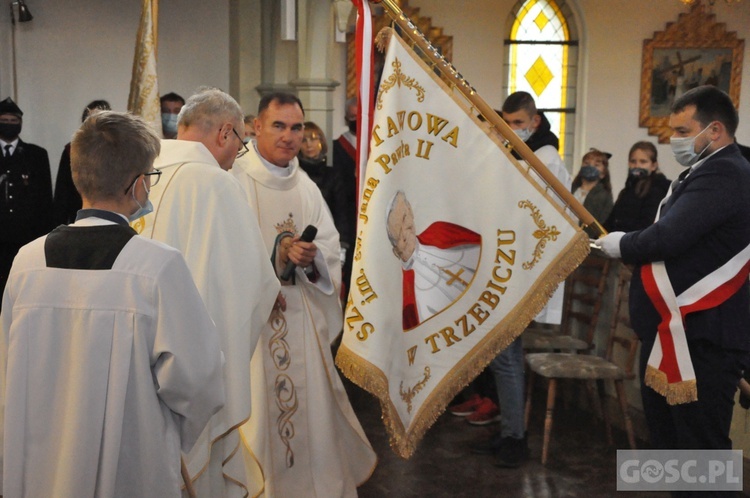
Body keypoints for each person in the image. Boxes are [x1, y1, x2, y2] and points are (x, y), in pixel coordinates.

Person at [0, 111, 225, 497]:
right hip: (128, 467)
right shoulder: (157, 266)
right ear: (138, 184)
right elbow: (198, 380)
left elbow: (8, 365)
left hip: (40, 467)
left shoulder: (26, 263)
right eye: (151, 177)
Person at [137, 87, 280, 498]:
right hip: (190, 377)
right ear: (225, 133)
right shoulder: (216, 185)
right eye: (241, 143)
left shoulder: (140, 173)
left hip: (139, 362)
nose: (239, 154)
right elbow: (249, 283)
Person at [232, 92, 376, 497]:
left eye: (296, 127)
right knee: (260, 418)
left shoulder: (306, 186)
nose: (289, 136)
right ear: (257, 126)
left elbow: (331, 249)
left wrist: (311, 259)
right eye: (279, 125)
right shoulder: (234, 181)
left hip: (303, 316)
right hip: (255, 328)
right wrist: (275, 257)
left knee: (310, 417)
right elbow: (224, 254)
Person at [596, 86, 750, 454]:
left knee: (701, 454)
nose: (674, 141)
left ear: (714, 130)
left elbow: (669, 236)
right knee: (671, 448)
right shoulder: (703, 170)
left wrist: (622, 244)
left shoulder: (726, 171)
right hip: (677, 334)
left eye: (682, 132)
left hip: (703, 338)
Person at [471, 91, 571, 464]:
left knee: (507, 357)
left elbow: (537, 214)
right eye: (507, 123)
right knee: (502, 356)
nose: (513, 130)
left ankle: (515, 439)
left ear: (534, 122)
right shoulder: (523, 155)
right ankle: (511, 431)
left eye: (518, 124)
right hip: (509, 267)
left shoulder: (544, 159)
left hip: (523, 270)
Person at [386, 190, 481, 330]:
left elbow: (483, 251)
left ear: (411, 212)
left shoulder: (439, 230)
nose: (406, 229)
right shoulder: (405, 296)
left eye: (405, 217)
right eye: (399, 234)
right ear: (395, 251)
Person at [0, 97, 53, 308]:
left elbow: (45, 201)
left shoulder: (37, 155)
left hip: (27, 238)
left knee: (25, 293)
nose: (9, 124)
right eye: (4, 119)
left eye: (14, 120)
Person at [53, 99, 112, 225]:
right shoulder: (71, 150)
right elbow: (62, 194)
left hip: (111, 215)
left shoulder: (119, 151)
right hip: (78, 216)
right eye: (90, 119)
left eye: (100, 119)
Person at [604, 141, 671, 233]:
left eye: (643, 162)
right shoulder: (627, 190)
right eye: (633, 161)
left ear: (654, 166)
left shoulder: (657, 190)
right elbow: (611, 221)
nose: (637, 166)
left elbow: (647, 225)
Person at [332, 97, 359, 296]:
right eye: (352, 117)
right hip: (348, 212)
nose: (355, 120)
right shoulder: (337, 147)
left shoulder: (378, 144)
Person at [571, 148, 613, 238]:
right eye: (586, 163)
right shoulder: (571, 189)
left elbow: (603, 221)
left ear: (603, 174)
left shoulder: (604, 195)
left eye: (596, 165)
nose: (590, 167)